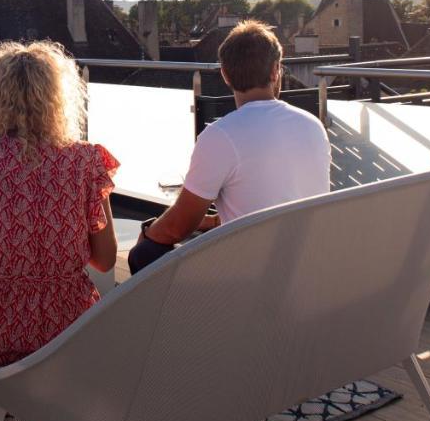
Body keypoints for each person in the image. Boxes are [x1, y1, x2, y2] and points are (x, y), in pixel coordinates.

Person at [0, 40, 119, 378]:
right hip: (70, 327)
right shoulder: (86, 161)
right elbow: (105, 259)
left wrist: (6, 283)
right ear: (59, 99)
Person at [128, 20, 330, 274]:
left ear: (224, 74)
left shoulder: (221, 135)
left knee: (143, 255)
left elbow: (177, 227)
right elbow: (278, 199)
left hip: (247, 278)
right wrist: (212, 221)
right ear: (275, 71)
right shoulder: (312, 126)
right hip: (307, 267)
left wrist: (148, 232)